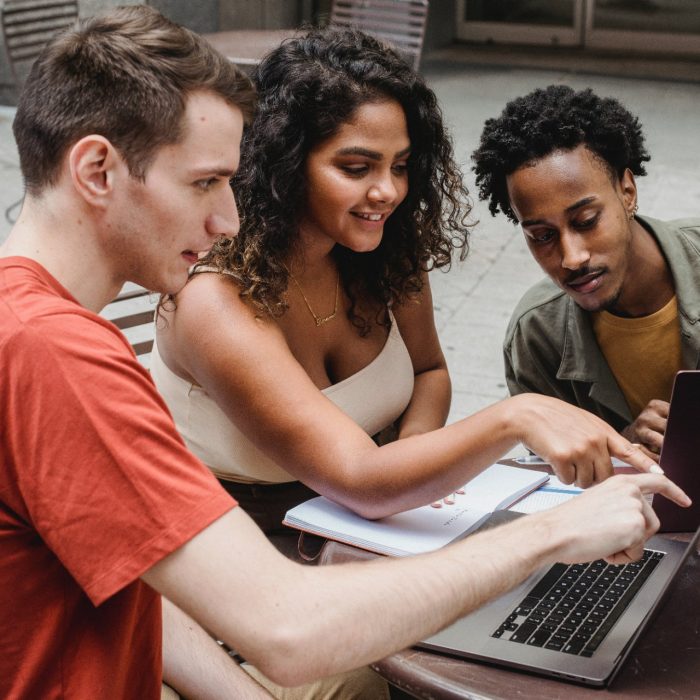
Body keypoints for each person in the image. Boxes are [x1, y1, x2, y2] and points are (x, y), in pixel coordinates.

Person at [0, 8, 689, 699]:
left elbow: (144, 582)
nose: (227, 219)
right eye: (205, 183)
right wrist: (555, 533)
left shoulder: (45, 334)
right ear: (95, 169)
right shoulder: (58, 355)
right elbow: (288, 631)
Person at [154, 30, 660, 559]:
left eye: (399, 166)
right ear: (285, 163)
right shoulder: (215, 299)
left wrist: (410, 458)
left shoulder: (384, 253)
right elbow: (358, 479)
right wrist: (519, 415)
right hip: (236, 542)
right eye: (356, 168)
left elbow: (428, 372)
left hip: (373, 520)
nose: (388, 192)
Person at [472, 84, 700, 460]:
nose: (571, 258)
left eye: (586, 220)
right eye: (542, 236)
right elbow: (551, 482)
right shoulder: (537, 336)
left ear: (627, 191)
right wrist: (620, 450)